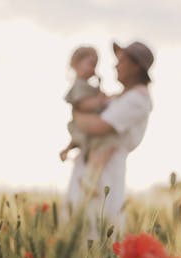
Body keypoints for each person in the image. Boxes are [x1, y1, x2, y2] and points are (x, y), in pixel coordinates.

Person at [67, 41, 154, 239]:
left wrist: (76, 110)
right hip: (89, 167)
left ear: (136, 66)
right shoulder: (123, 97)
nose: (115, 65)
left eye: (121, 61)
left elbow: (98, 127)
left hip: (105, 176)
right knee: (79, 232)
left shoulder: (137, 100)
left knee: (96, 233)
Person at [60, 46, 120, 197]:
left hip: (84, 130)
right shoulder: (78, 86)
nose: (94, 68)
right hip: (83, 130)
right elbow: (83, 105)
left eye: (96, 65)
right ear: (76, 64)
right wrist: (102, 100)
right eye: (91, 64)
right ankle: (88, 178)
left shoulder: (88, 86)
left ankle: (89, 178)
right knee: (107, 146)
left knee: (100, 149)